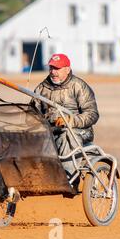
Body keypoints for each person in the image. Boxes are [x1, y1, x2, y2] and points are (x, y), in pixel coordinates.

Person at [31, 54, 99, 185]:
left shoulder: (79, 86)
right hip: (50, 131)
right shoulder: (41, 88)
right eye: (51, 68)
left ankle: (68, 178)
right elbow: (33, 114)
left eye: (57, 68)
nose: (53, 72)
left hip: (80, 131)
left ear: (67, 69)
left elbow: (92, 114)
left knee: (65, 135)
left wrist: (71, 121)